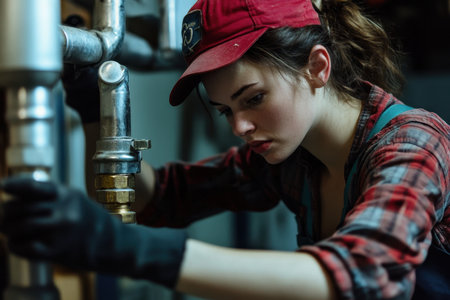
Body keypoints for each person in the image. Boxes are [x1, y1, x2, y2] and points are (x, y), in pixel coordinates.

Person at [1, 0, 449, 299]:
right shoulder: (291, 158)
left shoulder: (414, 143)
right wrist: (93, 111)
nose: (240, 127)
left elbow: (363, 272)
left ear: (317, 66)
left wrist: (128, 248)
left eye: (253, 98)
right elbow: (158, 197)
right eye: (223, 110)